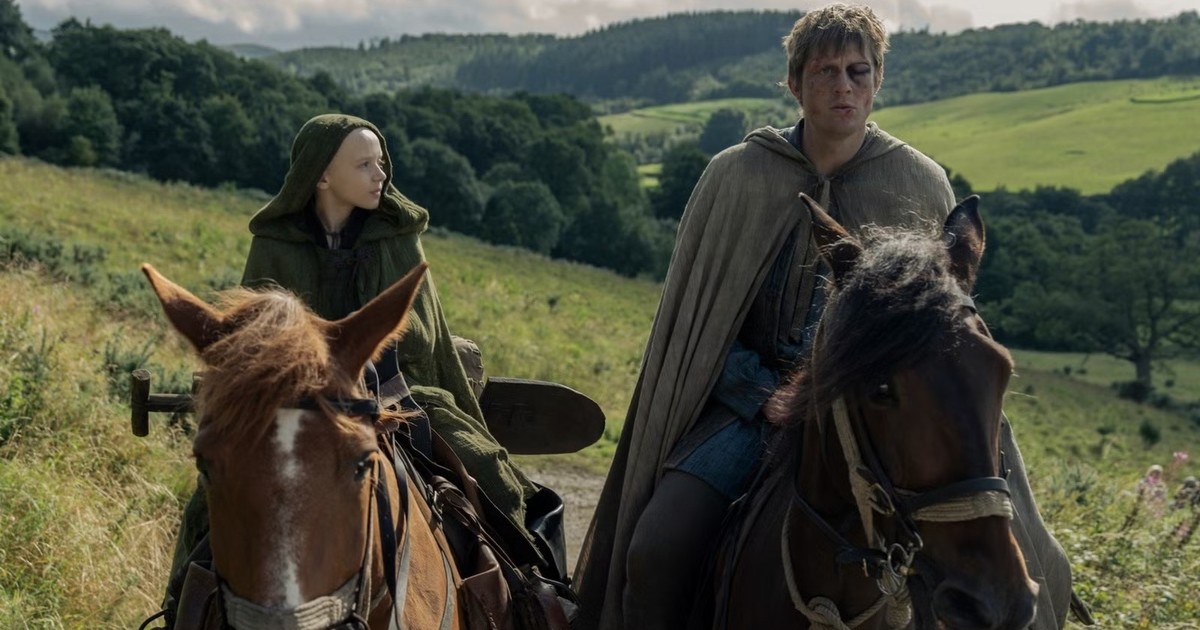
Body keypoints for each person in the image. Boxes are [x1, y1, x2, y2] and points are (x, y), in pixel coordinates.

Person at [572, 4, 1073, 629]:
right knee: (659, 549)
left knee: (1016, 564)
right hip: (750, 409)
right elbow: (697, 328)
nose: (843, 87)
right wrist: (763, 393)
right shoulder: (737, 175)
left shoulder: (918, 182)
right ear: (794, 82)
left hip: (878, 411)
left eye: (858, 72)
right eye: (825, 71)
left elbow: (940, 332)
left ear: (878, 80)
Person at [165, 114, 539, 593]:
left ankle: (532, 589)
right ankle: (183, 601)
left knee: (488, 472)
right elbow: (253, 341)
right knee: (209, 500)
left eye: (380, 163)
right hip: (298, 400)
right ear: (321, 175)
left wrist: (369, 352)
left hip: (397, 392)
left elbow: (423, 337)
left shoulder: (398, 238)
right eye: (364, 165)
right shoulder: (275, 244)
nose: (380, 175)